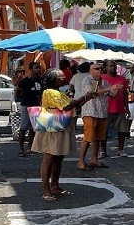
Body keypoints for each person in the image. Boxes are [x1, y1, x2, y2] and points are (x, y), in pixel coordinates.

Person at [30, 68, 98, 201]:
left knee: (58, 158)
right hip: (53, 128)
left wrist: (87, 98)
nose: (64, 78)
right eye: (61, 76)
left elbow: (73, 105)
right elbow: (67, 107)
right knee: (49, 158)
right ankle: (46, 190)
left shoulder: (59, 93)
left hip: (62, 127)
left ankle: (55, 186)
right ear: (54, 79)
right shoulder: (50, 92)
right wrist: (84, 97)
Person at [78, 62, 121, 170]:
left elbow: (112, 96)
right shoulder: (88, 80)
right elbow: (93, 93)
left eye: (101, 68)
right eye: (96, 68)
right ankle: (81, 161)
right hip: (90, 112)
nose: (99, 70)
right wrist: (110, 88)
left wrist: (117, 89)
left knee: (98, 138)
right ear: (90, 70)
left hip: (101, 112)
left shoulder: (104, 82)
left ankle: (94, 159)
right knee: (88, 137)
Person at [101, 60, 130, 157]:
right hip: (106, 108)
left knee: (122, 130)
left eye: (114, 66)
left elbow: (125, 94)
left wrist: (127, 107)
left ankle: (120, 149)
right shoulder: (102, 78)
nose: (112, 68)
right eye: (110, 66)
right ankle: (103, 151)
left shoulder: (122, 79)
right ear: (106, 67)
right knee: (103, 131)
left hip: (120, 107)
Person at [15, 62, 43, 157]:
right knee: (24, 127)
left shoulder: (42, 80)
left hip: (37, 106)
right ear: (31, 69)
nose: (38, 70)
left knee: (34, 128)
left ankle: (31, 147)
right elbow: (17, 92)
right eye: (36, 68)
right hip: (27, 105)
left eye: (39, 68)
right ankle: (20, 148)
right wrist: (23, 98)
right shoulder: (25, 81)